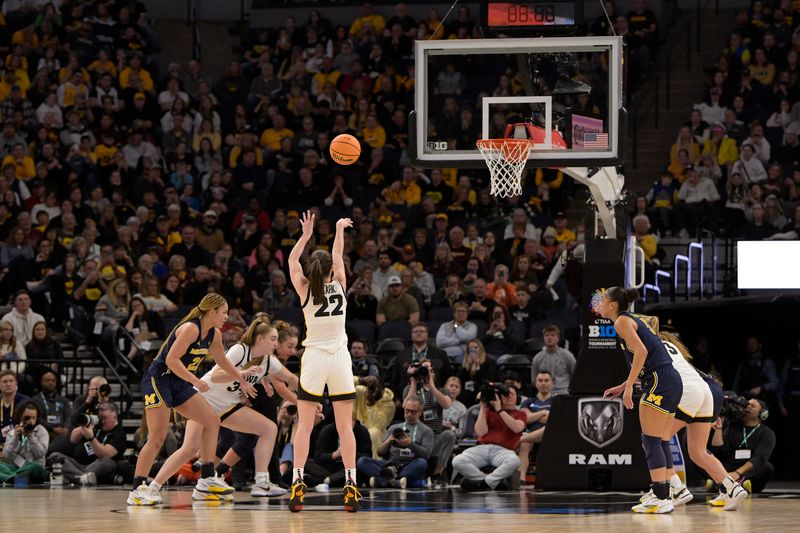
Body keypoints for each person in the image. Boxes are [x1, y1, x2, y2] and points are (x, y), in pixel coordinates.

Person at [127, 293, 257, 506]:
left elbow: (222, 360)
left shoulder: (214, 334)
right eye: (223, 312)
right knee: (158, 436)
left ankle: (206, 477)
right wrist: (195, 380)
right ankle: (137, 489)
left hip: (179, 383)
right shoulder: (191, 328)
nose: (226, 317)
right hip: (158, 380)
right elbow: (171, 360)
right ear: (212, 311)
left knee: (212, 421)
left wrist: (240, 378)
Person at [171, 319, 296, 498]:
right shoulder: (240, 350)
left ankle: (261, 482)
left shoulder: (270, 361)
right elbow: (216, 377)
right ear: (259, 339)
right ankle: (152, 485)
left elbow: (291, 379)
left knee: (268, 428)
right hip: (203, 400)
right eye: (273, 339)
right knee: (190, 448)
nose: (276, 344)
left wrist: (313, 400)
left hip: (226, 406)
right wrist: (241, 377)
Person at [287, 211, 361, 512]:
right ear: (332, 270)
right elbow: (337, 254)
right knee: (346, 428)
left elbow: (293, 262)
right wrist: (340, 229)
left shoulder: (304, 290)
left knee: (303, 427)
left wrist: (305, 235)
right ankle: (351, 485)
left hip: (315, 358)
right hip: (340, 358)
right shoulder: (341, 284)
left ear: (311, 270)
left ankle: (297, 482)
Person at [635, 329, 747, 511]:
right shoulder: (674, 349)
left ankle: (673, 488)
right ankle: (731, 488)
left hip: (687, 390)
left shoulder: (649, 346)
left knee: (655, 440)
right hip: (706, 392)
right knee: (698, 451)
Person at [599, 287, 682, 514]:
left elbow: (641, 352)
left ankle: (660, 497)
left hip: (659, 379)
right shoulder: (632, 319)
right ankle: (664, 493)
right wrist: (624, 384)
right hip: (669, 379)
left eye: (603, 300)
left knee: (651, 439)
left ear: (613, 305)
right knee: (660, 439)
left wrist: (628, 388)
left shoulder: (621, 322)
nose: (601, 303)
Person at [452, 384, 527, 491]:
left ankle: (484, 483)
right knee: (457, 460)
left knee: (515, 461)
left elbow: (516, 428)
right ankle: (490, 482)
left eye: (512, 394)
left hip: (504, 450)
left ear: (517, 398)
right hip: (482, 447)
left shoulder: (520, 414)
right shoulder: (488, 411)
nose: (508, 396)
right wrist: (483, 407)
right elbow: (481, 431)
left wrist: (500, 410)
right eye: (505, 394)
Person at [357, 397, 433, 488]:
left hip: (409, 465)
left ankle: (383, 480)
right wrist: (388, 441)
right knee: (362, 461)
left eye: (413, 412)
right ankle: (396, 481)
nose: (409, 414)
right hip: (389, 465)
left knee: (422, 463)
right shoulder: (394, 428)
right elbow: (380, 453)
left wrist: (410, 444)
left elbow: (426, 455)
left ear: (420, 412)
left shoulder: (426, 431)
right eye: (407, 411)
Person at [49, 402, 127, 486]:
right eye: (100, 418)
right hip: (79, 465)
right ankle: (83, 478)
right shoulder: (97, 426)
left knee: (106, 461)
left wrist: (91, 438)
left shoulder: (119, 434)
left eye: (105, 418)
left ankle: (74, 477)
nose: (102, 421)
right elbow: (73, 439)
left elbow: (105, 454)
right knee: (55, 456)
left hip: (99, 466)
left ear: (114, 417)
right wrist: (85, 424)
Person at [711, 397, 776, 495]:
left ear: (763, 413)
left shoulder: (766, 433)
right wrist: (720, 424)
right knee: (705, 458)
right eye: (746, 405)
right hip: (731, 466)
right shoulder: (733, 427)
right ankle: (734, 484)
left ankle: (725, 483)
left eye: (752, 406)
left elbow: (759, 458)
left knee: (767, 467)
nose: (748, 407)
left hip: (750, 469)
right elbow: (718, 449)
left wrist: (737, 473)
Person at [0, 401, 49, 484]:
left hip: (33, 468)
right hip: (16, 468)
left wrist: (31, 437)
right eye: (27, 417)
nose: (31, 421)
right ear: (20, 416)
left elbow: (40, 453)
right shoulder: (13, 431)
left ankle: (9, 478)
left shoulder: (41, 431)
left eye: (34, 418)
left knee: (34, 467)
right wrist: (15, 438)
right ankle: (15, 478)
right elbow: (7, 455)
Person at [517, 370, 553, 481]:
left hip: (549, 435)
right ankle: (521, 479)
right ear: (536, 383)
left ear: (552, 383)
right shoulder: (528, 401)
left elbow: (553, 420)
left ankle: (520, 439)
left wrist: (534, 415)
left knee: (547, 429)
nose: (543, 383)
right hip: (531, 436)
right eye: (540, 380)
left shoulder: (557, 401)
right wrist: (544, 413)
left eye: (546, 380)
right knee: (524, 445)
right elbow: (526, 418)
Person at [529, 325, 577, 395]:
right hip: (543, 394)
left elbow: (575, 376)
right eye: (547, 335)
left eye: (552, 335)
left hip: (563, 393)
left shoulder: (567, 355)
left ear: (558, 338)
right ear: (543, 338)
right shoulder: (537, 358)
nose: (549, 337)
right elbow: (534, 380)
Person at [1, 370, 29, 445]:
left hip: (17, 440)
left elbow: (23, 425)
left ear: (16, 383)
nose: (8, 384)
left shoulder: (25, 401)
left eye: (11, 381)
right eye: (4, 381)